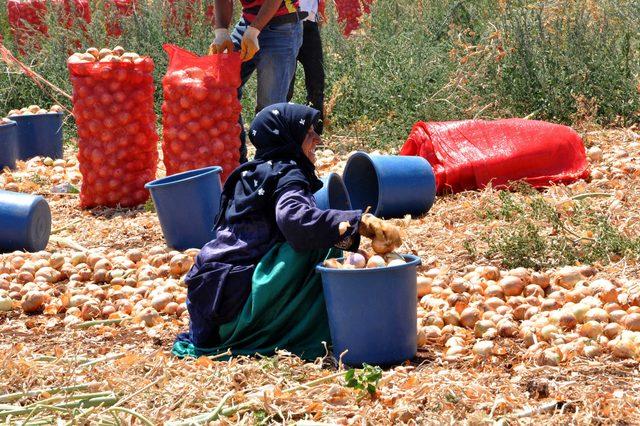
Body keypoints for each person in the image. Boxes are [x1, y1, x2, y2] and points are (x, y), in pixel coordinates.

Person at [172, 103, 401, 360]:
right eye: (309, 133)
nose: (317, 139)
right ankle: (302, 336)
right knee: (323, 246)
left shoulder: (250, 172)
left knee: (324, 234)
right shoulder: (287, 175)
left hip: (209, 300)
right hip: (235, 304)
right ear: (288, 136)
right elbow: (295, 221)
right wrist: (358, 222)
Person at [210, 0, 306, 163]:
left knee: (269, 108)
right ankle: (237, 161)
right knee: (222, 89)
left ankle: (266, 167)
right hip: (248, 22)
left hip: (281, 26)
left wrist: (254, 30)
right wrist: (221, 31)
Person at [287, 0, 326, 134]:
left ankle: (315, 133)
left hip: (310, 26)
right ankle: (279, 133)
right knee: (285, 86)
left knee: (316, 83)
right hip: (285, 24)